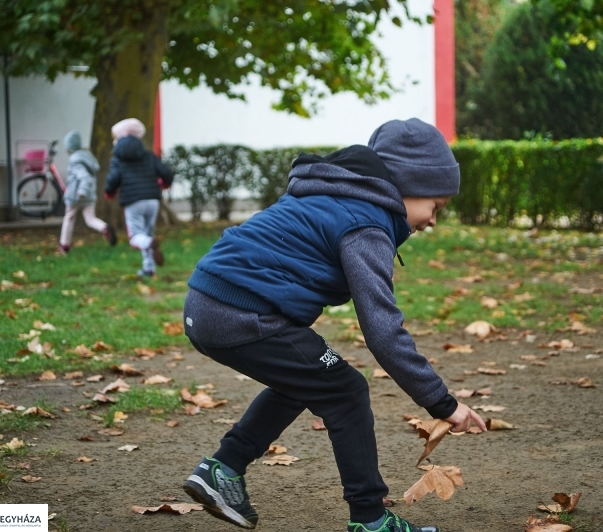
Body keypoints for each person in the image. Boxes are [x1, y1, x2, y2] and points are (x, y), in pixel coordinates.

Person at [181, 118, 486, 532]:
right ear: (407, 185)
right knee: (346, 390)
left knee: (308, 379)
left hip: (209, 300)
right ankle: (371, 519)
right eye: (437, 206)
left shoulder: (335, 195)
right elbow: (382, 329)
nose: (434, 220)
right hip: (240, 312)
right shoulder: (367, 223)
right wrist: (443, 403)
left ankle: (224, 468)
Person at [103, 118, 174, 277]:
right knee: (148, 232)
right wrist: (164, 184)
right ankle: (149, 269)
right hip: (153, 200)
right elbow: (166, 173)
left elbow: (113, 179)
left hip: (133, 201)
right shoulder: (148, 156)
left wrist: (109, 192)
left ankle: (149, 244)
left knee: (136, 237)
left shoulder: (118, 159)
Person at [57, 130, 116, 254]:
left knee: (69, 218)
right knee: (90, 219)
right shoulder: (87, 157)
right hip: (89, 197)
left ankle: (64, 245)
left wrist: (81, 191)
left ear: (70, 147)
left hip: (76, 195)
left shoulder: (75, 159)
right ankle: (104, 228)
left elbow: (85, 177)